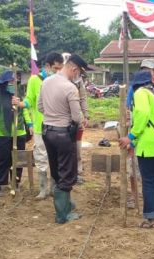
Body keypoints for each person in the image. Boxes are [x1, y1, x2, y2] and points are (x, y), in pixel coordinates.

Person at [39, 54, 90, 224]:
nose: (79, 76)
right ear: (74, 69)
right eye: (80, 73)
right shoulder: (70, 88)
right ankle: (62, 215)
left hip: (47, 131)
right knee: (67, 171)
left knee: (55, 169)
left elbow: (40, 106)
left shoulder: (46, 81)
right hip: (63, 133)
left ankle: (65, 204)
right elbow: (76, 117)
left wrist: (53, 114)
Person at [118, 71, 154, 228]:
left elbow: (142, 113)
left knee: (148, 181)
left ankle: (152, 219)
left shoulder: (141, 92)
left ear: (136, 84)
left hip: (148, 145)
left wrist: (131, 136)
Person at [0, 70, 31, 196]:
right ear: (4, 83)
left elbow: (25, 110)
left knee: (18, 159)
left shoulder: (18, 96)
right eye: (11, 82)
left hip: (19, 132)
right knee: (2, 159)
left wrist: (30, 124)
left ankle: (16, 183)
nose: (13, 84)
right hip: (1, 134)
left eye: (15, 81)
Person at [26, 52, 64, 200]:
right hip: (40, 126)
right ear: (47, 66)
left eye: (60, 68)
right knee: (41, 157)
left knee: (56, 158)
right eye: (55, 68)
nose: (57, 71)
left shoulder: (61, 80)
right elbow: (29, 99)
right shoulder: (35, 80)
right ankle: (43, 188)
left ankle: (55, 187)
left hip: (58, 126)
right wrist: (21, 104)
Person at [63, 52, 91, 185]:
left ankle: (77, 173)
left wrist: (86, 115)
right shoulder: (60, 80)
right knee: (65, 150)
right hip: (63, 121)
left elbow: (83, 98)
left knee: (77, 148)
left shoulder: (79, 82)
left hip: (77, 120)